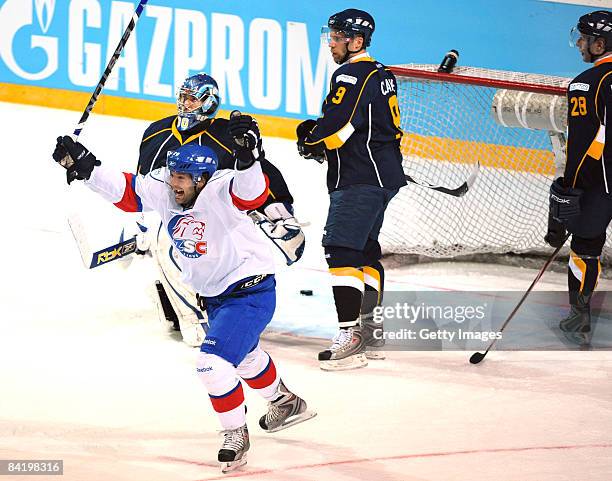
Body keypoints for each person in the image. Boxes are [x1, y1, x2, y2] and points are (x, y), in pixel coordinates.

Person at [52, 117, 315, 472]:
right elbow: (127, 191)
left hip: (250, 291)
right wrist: (85, 166)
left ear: (201, 179)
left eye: (182, 178)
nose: (173, 183)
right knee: (245, 357)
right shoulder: (165, 186)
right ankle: (285, 401)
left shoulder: (222, 188)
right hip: (215, 295)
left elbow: (250, 193)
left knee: (211, 364)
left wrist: (248, 156)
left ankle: (235, 434)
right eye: (172, 174)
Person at [136, 72, 305, 346]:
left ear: (209, 103)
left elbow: (260, 173)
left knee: (188, 246)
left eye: (192, 99)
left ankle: (207, 315)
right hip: (170, 214)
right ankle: (182, 310)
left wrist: (280, 208)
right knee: (164, 239)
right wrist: (142, 224)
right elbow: (142, 186)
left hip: (216, 218)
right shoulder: (155, 133)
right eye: (183, 98)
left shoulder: (227, 134)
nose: (185, 104)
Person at [295, 9, 406, 370]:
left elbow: (338, 123)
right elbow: (352, 127)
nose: (332, 43)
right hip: (383, 175)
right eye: (332, 35)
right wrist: (322, 139)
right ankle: (371, 332)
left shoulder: (351, 72)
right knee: (365, 251)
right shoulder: (381, 73)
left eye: (338, 37)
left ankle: (351, 336)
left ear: (357, 42)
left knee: (340, 249)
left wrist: (310, 138)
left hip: (361, 177)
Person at [545, 10, 612, 345]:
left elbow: (583, 144)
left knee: (585, 249)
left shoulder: (587, 82)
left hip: (600, 186)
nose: (580, 45)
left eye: (585, 39)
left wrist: (568, 188)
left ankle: (579, 319)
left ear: (600, 44)